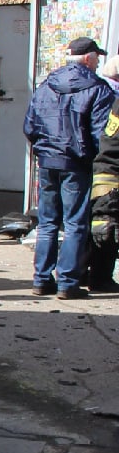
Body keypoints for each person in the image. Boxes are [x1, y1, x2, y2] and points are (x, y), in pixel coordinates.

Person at [23, 37, 115, 300]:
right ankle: (67, 283)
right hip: (76, 163)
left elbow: (29, 126)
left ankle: (42, 279)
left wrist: (44, 149)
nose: (98, 62)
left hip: (48, 161)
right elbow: (101, 134)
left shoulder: (46, 85)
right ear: (87, 58)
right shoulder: (97, 88)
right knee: (75, 223)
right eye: (97, 57)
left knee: (48, 222)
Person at [88, 76, 119, 294]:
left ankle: (93, 275)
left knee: (102, 224)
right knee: (106, 226)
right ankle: (99, 279)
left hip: (106, 171)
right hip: (112, 173)